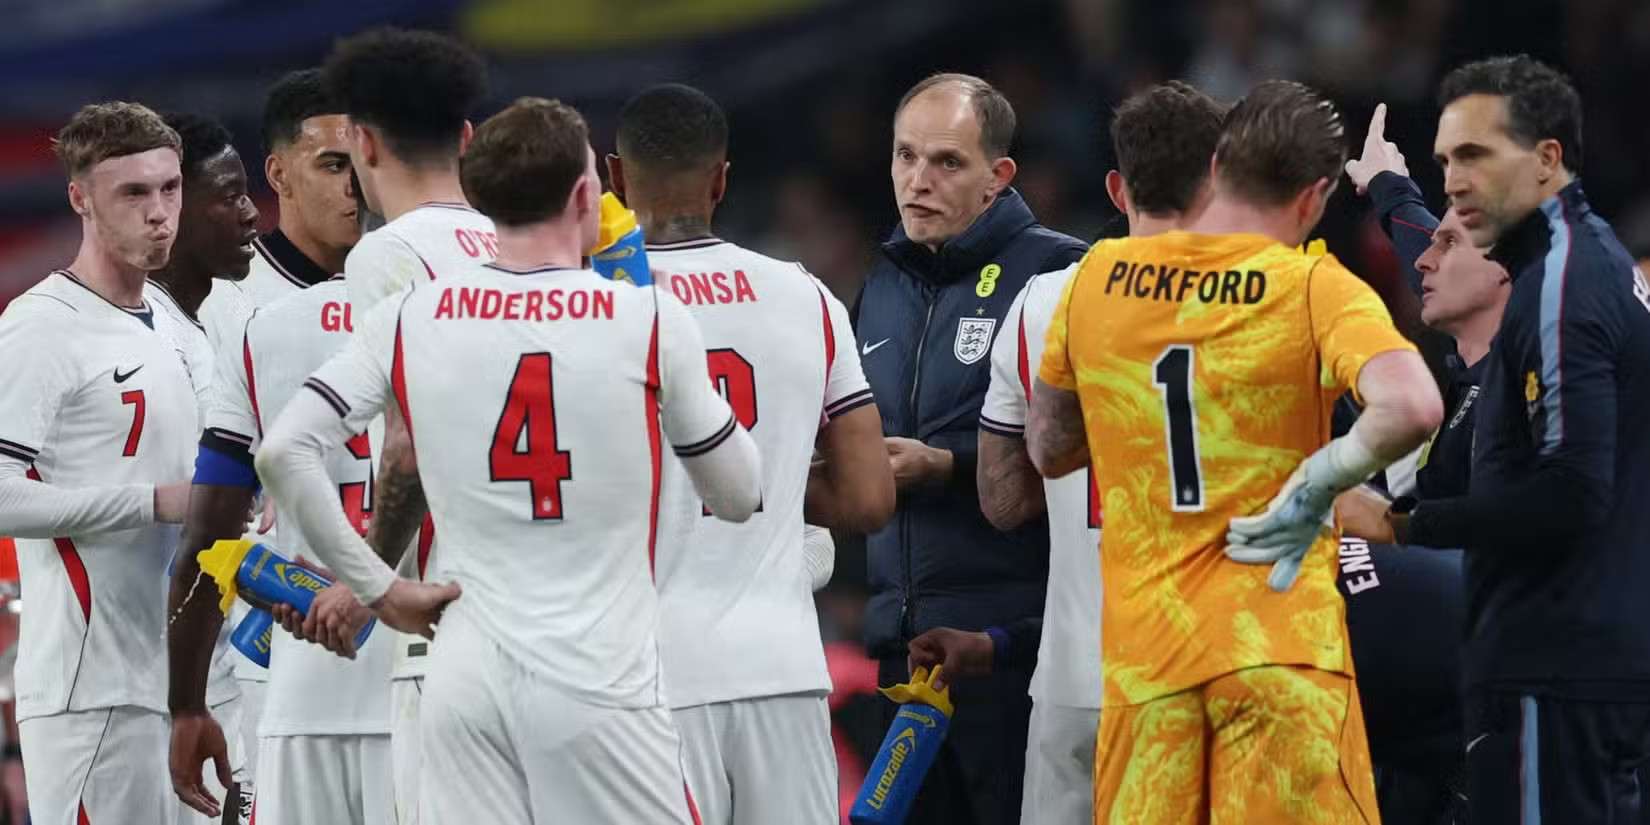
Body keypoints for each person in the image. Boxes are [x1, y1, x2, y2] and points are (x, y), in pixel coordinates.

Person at [255, 96, 761, 823]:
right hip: (600, 673)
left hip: (464, 673)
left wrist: (378, 587)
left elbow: (283, 450)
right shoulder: (643, 317)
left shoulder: (410, 315)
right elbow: (739, 493)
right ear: (587, 195)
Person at [1026, 80, 1442, 822]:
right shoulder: (1313, 284)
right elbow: (1411, 404)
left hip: (1147, 670)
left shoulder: (1094, 279)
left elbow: (1051, 448)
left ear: (1215, 165)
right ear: (1314, 197)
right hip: (1281, 655)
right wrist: (1322, 477)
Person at [1363, 55, 1650, 824]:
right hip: (1570, 667)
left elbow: (1571, 494)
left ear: (1547, 158)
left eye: (1476, 155)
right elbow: (1459, 252)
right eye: (1446, 159)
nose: (1453, 180)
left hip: (1555, 675)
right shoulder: (1565, 267)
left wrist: (1398, 525)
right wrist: (1389, 190)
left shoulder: (1560, 288)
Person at [607, 83, 895, 825]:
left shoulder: (595, 307)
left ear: (615, 177)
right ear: (721, 179)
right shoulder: (806, 296)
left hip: (647, 672)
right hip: (782, 665)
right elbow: (868, 499)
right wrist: (770, 468)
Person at [959, 80, 1223, 825]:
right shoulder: (1261, 299)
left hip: (1079, 673)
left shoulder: (1043, 301)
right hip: (1205, 666)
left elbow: (1002, 501)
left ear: (1117, 186)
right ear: (1218, 179)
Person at [851, 71, 1086, 825]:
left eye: (947, 162)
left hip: (1009, 650)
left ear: (998, 176)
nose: (917, 180)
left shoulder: (1058, 274)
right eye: (905, 156)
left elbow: (1095, 461)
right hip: (903, 656)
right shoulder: (880, 284)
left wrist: (946, 469)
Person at [0, 101, 198, 824]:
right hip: (91, 692)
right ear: (80, 198)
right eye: (134, 194)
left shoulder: (172, 319)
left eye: (170, 188)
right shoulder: (39, 327)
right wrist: (153, 501)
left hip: (184, 681)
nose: (160, 213)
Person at [322, 28, 491, 825]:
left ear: (360, 141)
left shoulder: (386, 256)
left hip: (444, 617)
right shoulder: (526, 242)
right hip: (554, 613)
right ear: (466, 137)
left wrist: (368, 582)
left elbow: (406, 448)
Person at [144, 110, 261, 825]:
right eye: (228, 194)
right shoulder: (124, 334)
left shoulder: (238, 314)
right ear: (175, 209)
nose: (251, 212)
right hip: (146, 677)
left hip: (229, 660)